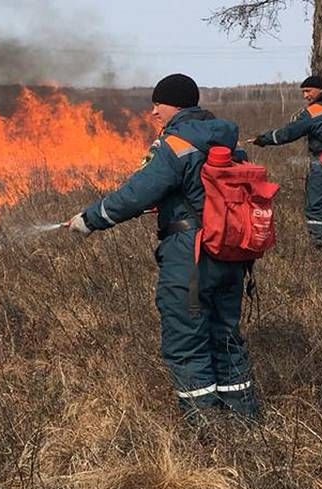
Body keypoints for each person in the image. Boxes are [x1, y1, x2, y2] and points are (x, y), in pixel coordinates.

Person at [65, 73, 260, 425]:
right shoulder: (228, 142)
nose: (153, 112)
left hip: (190, 255)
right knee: (225, 335)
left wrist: (89, 219)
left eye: (158, 104)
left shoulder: (174, 145)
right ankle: (245, 420)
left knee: (187, 339)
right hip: (231, 252)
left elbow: (134, 194)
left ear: (174, 105)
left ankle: (207, 431)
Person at [251, 75, 322, 248]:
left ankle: (318, 246)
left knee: (316, 205)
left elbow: (288, 133)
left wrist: (264, 139)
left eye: (308, 91)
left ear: (321, 90)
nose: (305, 96)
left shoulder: (315, 111)